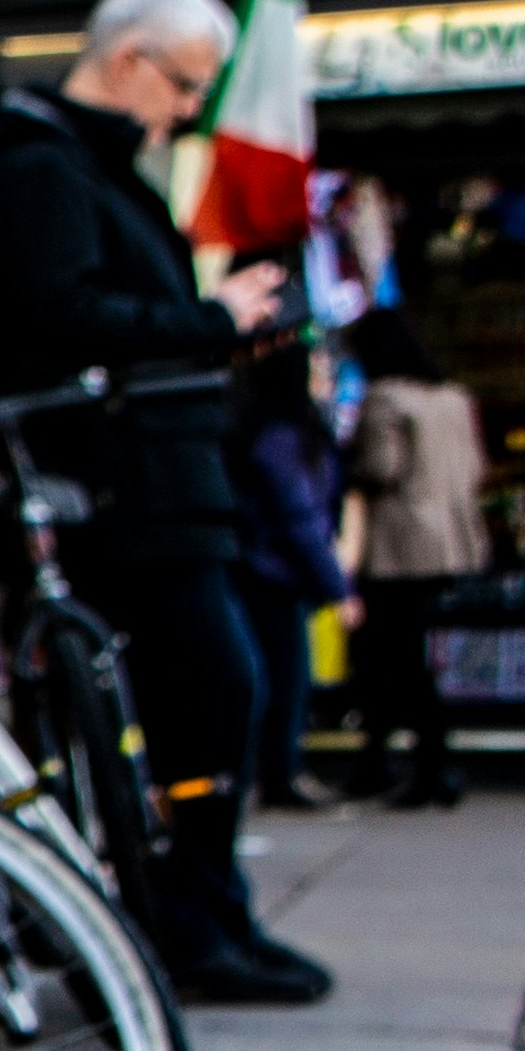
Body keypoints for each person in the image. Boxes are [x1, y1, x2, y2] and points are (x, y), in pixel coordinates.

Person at [0, 0, 317, 1004]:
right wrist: (213, 320)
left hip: (159, 476)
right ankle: (186, 920)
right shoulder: (39, 167)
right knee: (207, 687)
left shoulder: (85, 167)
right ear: (128, 61)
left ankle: (209, 910)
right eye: (184, 84)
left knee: (212, 693)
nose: (189, 109)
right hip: (120, 485)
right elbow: (58, 319)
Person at [342, 309, 488, 810]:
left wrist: (348, 459)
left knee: (392, 657)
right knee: (402, 653)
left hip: (398, 546)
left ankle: (427, 764)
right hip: (448, 541)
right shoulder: (452, 398)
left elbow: (380, 467)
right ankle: (384, 761)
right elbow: (475, 468)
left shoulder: (385, 399)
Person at [230, 333, 352, 811]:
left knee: (275, 677)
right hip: (272, 573)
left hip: (271, 570)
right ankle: (276, 772)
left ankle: (270, 772)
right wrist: (337, 587)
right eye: (318, 373)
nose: (327, 383)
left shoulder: (277, 433)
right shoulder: (283, 439)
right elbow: (299, 517)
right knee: (283, 678)